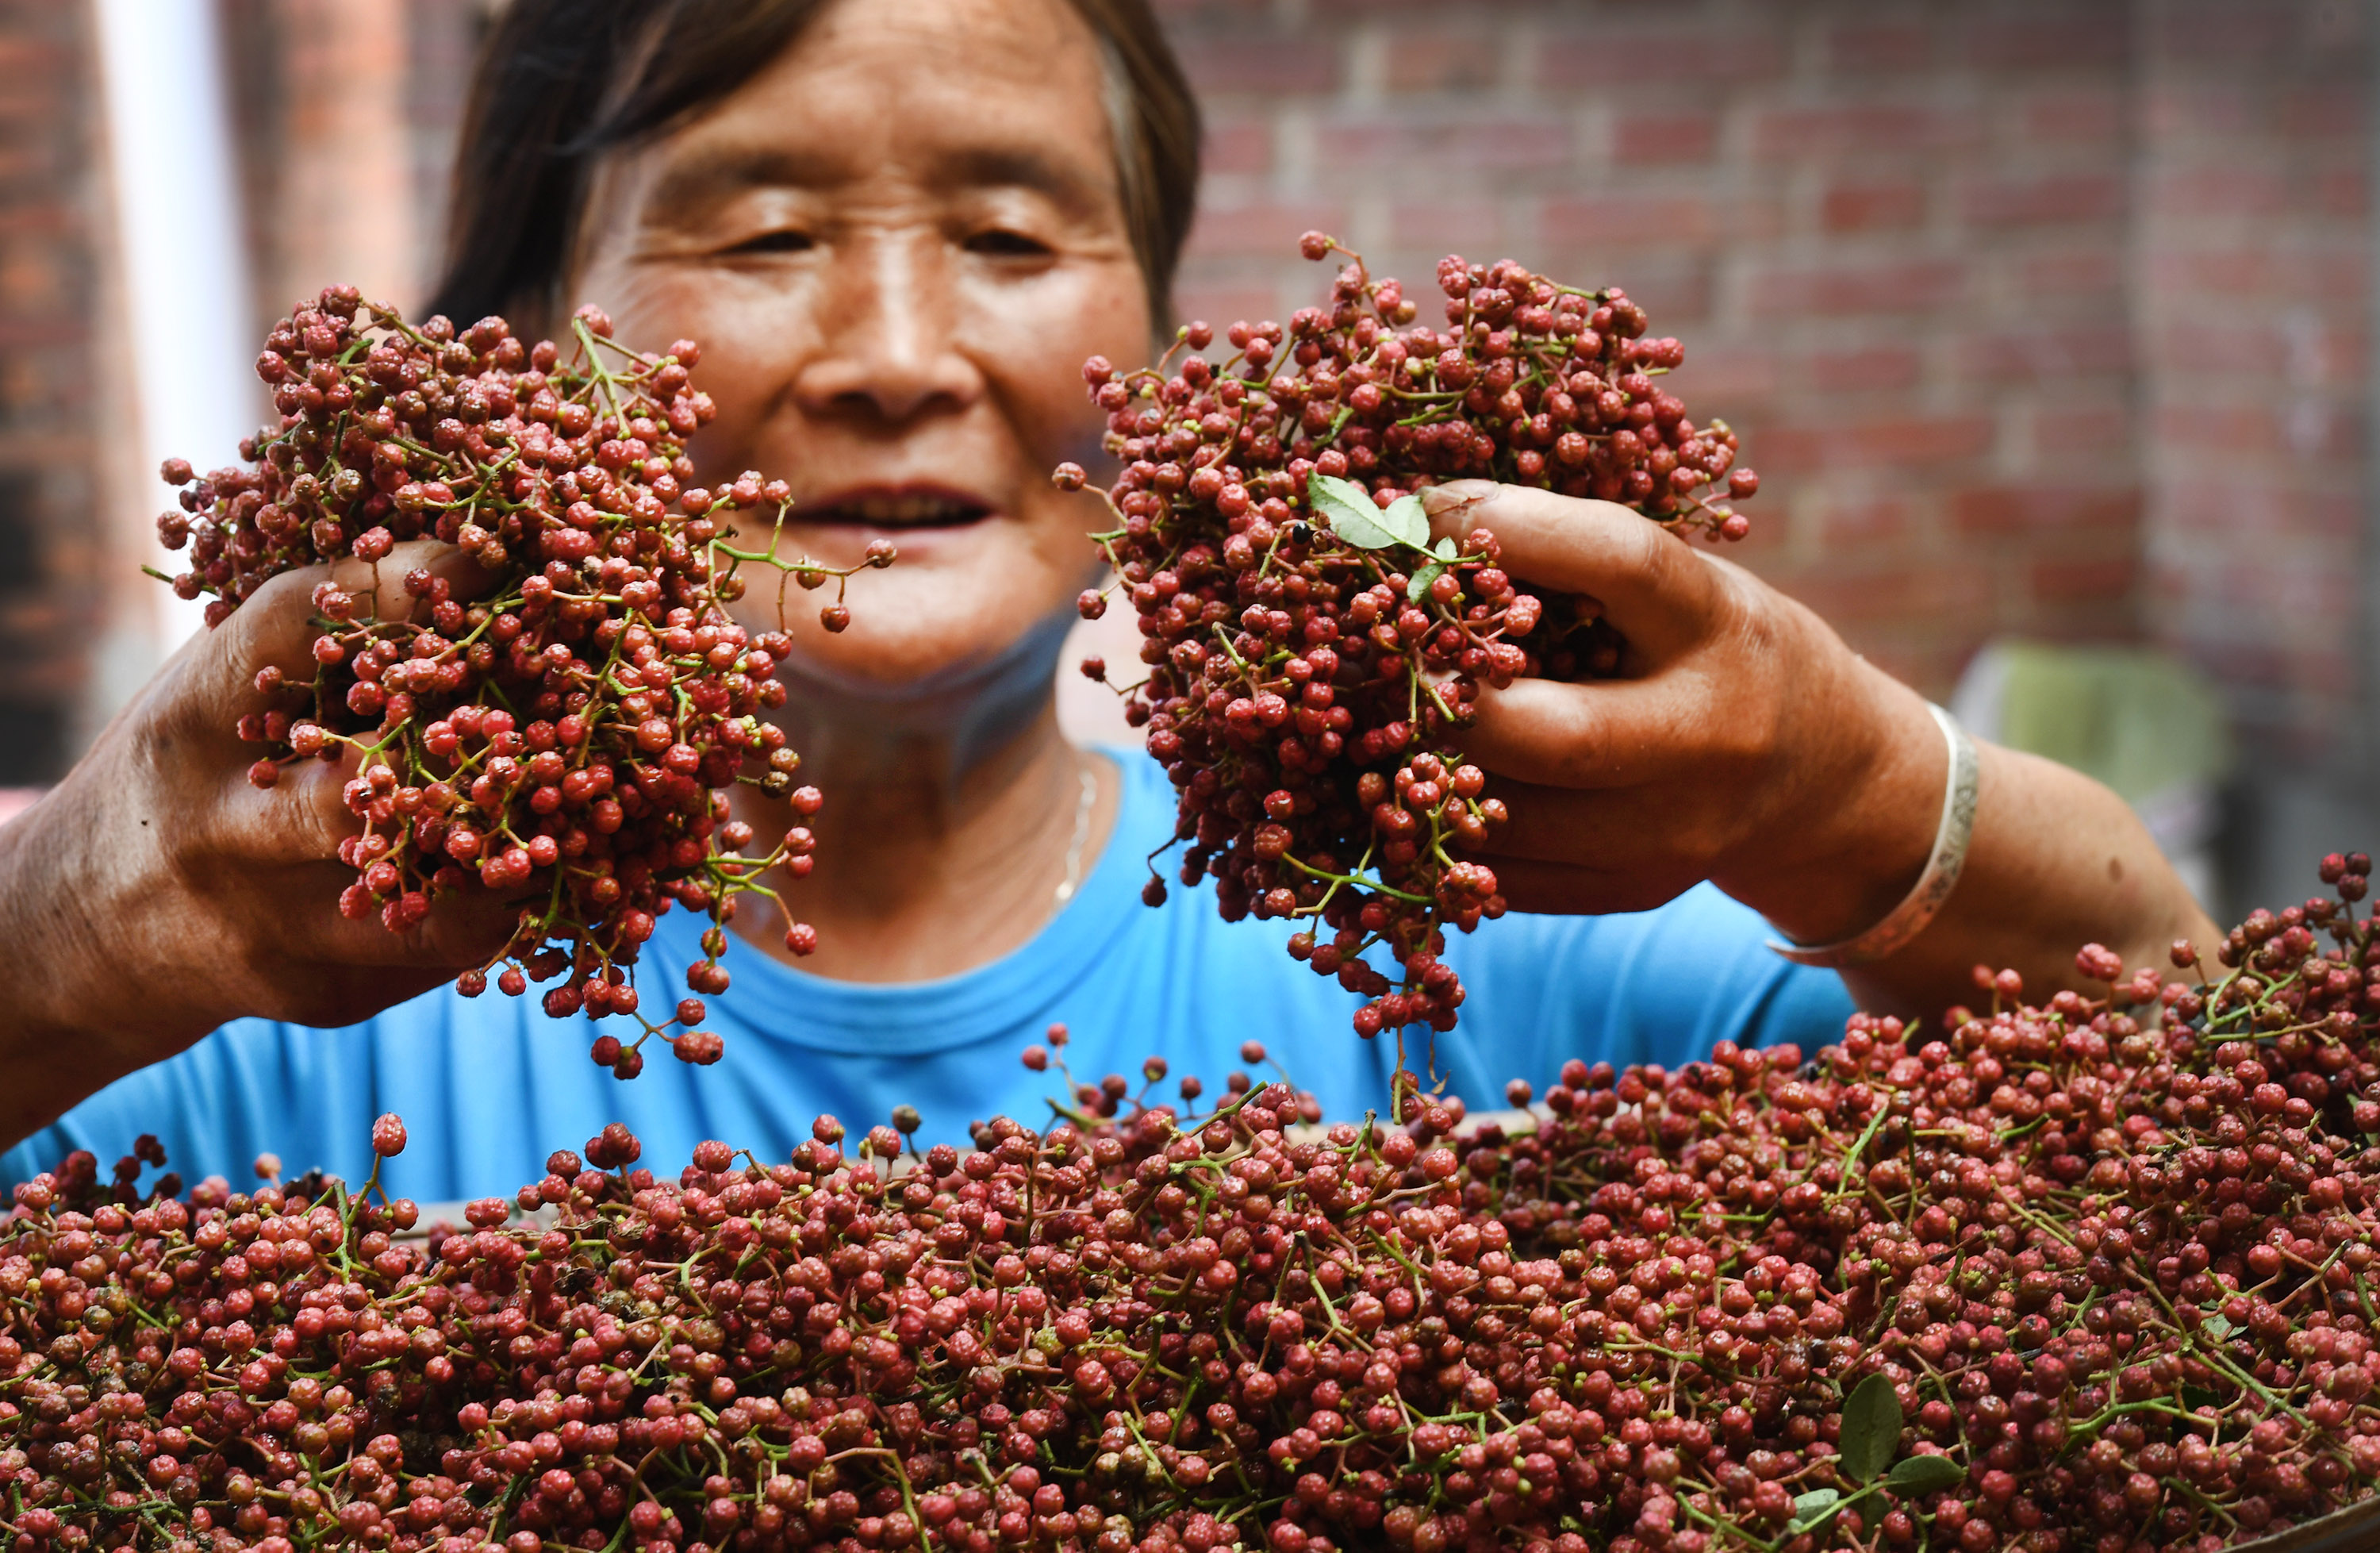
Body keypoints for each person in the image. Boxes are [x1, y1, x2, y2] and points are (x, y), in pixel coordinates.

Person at [0, 0, 2215, 1198]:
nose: (894, 351)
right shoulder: (290, 975)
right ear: (525, 341)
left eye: (1010, 232)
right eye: (761, 236)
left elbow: (2210, 1094)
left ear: (1161, 354)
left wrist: (1837, 780)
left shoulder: (1474, 932)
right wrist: (74, 936)